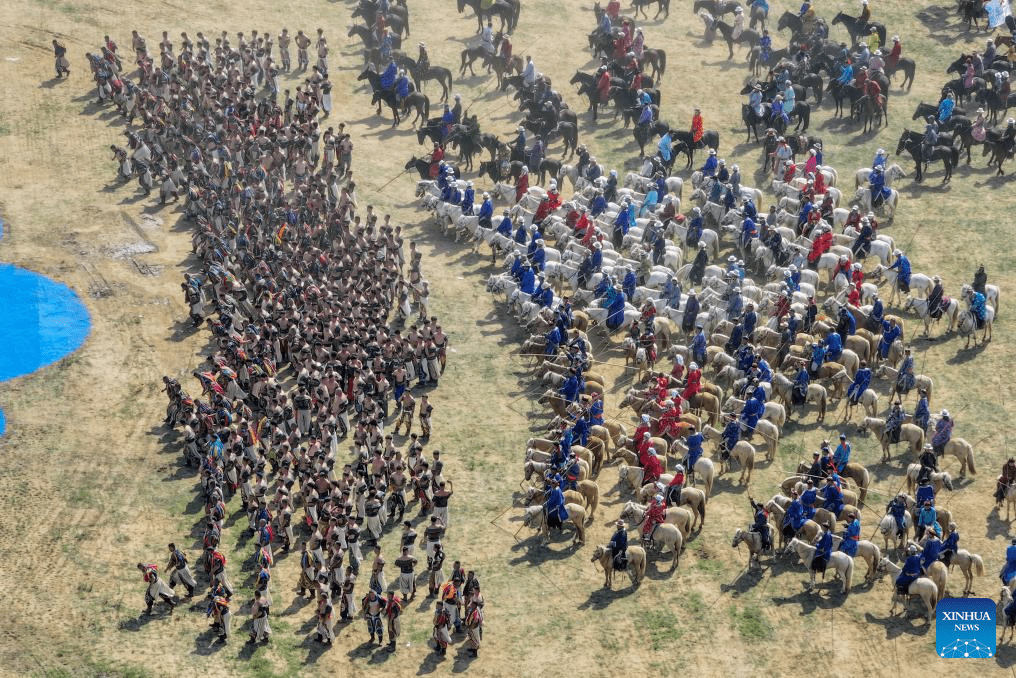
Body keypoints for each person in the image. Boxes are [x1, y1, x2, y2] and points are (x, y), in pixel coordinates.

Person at [809, 522, 834, 589]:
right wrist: (817, 543)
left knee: (816, 559)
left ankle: (818, 568)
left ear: (825, 528)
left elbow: (825, 545)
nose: (822, 528)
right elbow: (822, 542)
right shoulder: (826, 533)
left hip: (826, 551)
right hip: (824, 548)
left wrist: (817, 546)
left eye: (822, 527)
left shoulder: (827, 535)